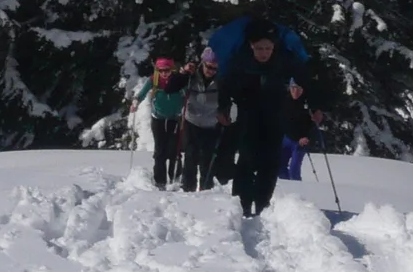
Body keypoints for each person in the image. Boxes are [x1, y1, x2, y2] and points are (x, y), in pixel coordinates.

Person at [219, 21, 312, 217]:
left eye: (268, 48)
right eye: (260, 48)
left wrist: (300, 90)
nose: (264, 52)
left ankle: (262, 204)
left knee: (270, 164)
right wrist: (223, 107)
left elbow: (302, 77)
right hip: (248, 119)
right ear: (252, 46)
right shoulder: (241, 63)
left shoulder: (283, 63)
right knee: (247, 161)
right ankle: (242, 204)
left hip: (274, 119)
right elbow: (225, 86)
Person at [131, 57, 188, 188]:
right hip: (158, 119)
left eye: (167, 70)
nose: (164, 73)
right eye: (161, 70)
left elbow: (187, 95)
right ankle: (160, 181)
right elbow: (142, 93)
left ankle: (175, 178)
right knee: (160, 151)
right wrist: (135, 102)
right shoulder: (154, 80)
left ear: (172, 70)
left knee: (175, 149)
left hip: (175, 118)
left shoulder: (177, 80)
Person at [180, 48, 226, 192]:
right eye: (209, 67)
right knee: (190, 157)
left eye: (214, 68)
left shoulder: (220, 81)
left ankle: (206, 190)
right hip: (191, 121)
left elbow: (226, 101)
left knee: (207, 160)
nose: (211, 71)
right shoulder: (192, 76)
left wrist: (224, 114)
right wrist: (183, 72)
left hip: (210, 124)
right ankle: (188, 189)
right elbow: (171, 87)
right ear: (203, 63)